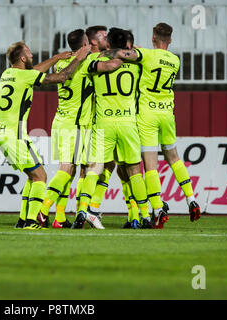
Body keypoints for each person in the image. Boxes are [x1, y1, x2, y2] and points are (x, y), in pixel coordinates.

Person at [34, 29, 126, 229]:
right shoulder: (85, 63)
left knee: (71, 169)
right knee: (67, 169)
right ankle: (41, 211)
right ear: (84, 45)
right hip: (75, 125)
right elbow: (109, 66)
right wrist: (126, 55)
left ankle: (59, 218)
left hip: (60, 121)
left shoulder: (61, 63)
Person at [0, 41, 91, 230]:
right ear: (22, 58)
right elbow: (63, 77)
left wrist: (56, 58)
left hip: (4, 133)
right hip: (15, 135)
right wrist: (79, 58)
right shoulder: (25, 76)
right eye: (29, 54)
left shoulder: (8, 74)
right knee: (40, 177)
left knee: (33, 175)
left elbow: (34, 71)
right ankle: (32, 221)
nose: (32, 56)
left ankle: (23, 219)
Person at [118, 23, 201, 227]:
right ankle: (191, 198)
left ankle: (157, 208)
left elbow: (129, 54)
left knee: (151, 165)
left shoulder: (145, 55)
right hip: (167, 114)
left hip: (148, 115)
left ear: (153, 38)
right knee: (174, 158)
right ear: (170, 40)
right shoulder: (175, 60)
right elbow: (145, 53)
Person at [72, 28, 150, 230]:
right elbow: (142, 53)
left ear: (108, 42)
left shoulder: (93, 61)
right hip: (127, 123)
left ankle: (83, 209)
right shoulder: (137, 65)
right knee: (134, 172)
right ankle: (144, 216)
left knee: (94, 169)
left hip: (103, 123)